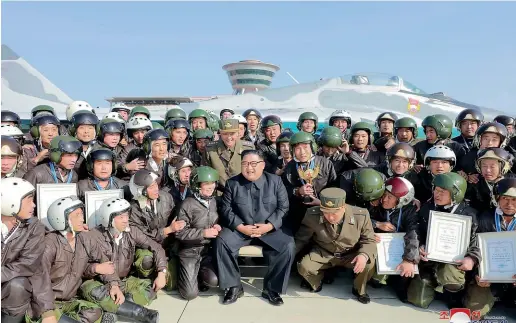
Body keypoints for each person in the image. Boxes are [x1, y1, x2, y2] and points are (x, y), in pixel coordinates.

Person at [215, 150, 294, 306]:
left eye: (253, 163)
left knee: (288, 245)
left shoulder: (275, 182)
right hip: (241, 230)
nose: (248, 168)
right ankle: (234, 286)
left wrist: (269, 225)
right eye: (245, 163)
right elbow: (226, 209)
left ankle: (272, 289)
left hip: (268, 229)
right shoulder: (233, 183)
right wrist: (240, 226)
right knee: (221, 242)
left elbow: (283, 207)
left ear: (263, 165)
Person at [79, 198, 163, 323]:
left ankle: (114, 308)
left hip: (123, 281)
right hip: (99, 283)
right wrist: (109, 280)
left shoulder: (131, 231)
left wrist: (162, 272)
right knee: (91, 290)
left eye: (127, 216)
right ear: (109, 219)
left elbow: (156, 247)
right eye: (121, 217)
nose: (126, 220)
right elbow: (84, 267)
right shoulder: (93, 236)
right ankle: (143, 314)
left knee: (150, 288)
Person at [35, 196, 113, 323]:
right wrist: (48, 313)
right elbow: (39, 281)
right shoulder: (49, 244)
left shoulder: (85, 238)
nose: (82, 219)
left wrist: (113, 283)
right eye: (76, 215)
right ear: (61, 219)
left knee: (95, 312)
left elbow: (104, 262)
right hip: (47, 302)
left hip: (70, 300)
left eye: (82, 214)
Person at [407, 173, 479, 309]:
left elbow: (475, 242)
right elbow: (417, 232)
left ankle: (453, 292)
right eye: (436, 190)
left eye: (443, 191)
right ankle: (431, 281)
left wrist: (472, 258)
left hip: (453, 262)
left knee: (451, 279)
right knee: (418, 301)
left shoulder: (469, 214)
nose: (437, 194)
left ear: (456, 193)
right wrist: (420, 247)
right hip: (429, 260)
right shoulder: (427, 208)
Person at [295, 187, 377, 304]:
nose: (330, 217)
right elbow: (301, 239)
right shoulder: (312, 215)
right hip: (324, 253)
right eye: (326, 212)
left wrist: (363, 255)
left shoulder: (361, 215)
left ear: (343, 207)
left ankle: (359, 289)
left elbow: (369, 240)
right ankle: (318, 282)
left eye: (334, 213)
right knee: (304, 266)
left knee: (369, 263)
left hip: (350, 254)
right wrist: (287, 256)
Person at [1, 178, 55, 323]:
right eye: (28, 200)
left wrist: (47, 311)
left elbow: (29, 264)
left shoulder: (34, 227)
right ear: (11, 201)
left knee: (18, 286)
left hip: (7, 288)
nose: (34, 205)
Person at [464, 178, 516, 317]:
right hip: (489, 277)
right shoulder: (485, 218)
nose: (509, 204)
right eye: (505, 198)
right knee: (474, 312)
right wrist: (478, 273)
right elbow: (476, 246)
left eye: (514, 200)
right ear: (497, 199)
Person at [129, 169, 182, 290]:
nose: (156, 189)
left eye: (156, 185)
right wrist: (167, 230)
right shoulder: (133, 210)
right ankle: (151, 276)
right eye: (151, 187)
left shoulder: (166, 198)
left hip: (168, 245)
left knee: (172, 285)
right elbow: (144, 237)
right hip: (147, 247)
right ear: (140, 191)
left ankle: (164, 270)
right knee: (146, 261)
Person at [368, 177, 419, 302]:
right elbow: (361, 220)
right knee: (376, 282)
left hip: (400, 249)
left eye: (390, 197)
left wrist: (409, 260)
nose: (384, 199)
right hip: (380, 247)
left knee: (405, 276)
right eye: (384, 195)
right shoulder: (375, 205)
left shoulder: (410, 211)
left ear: (401, 200)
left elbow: (413, 235)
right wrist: (376, 225)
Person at [175, 166, 220, 300]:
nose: (211, 187)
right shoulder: (187, 204)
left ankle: (198, 275)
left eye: (212, 183)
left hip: (206, 251)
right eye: (206, 183)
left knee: (214, 281)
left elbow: (214, 219)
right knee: (189, 295)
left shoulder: (213, 201)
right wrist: (203, 233)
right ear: (197, 185)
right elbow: (179, 233)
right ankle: (181, 273)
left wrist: (217, 225)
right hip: (189, 252)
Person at [282, 131, 337, 233]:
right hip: (299, 214)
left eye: (305, 147)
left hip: (324, 211)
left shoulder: (325, 163)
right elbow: (283, 191)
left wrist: (322, 203)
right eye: (298, 148)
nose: (302, 152)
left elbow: (334, 188)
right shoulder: (289, 167)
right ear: (292, 150)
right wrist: (298, 191)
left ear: (312, 147)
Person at [205, 119, 254, 193]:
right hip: (220, 193)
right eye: (225, 134)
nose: (229, 137)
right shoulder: (210, 150)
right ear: (220, 134)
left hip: (244, 191)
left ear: (237, 133)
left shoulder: (248, 148)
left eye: (232, 134)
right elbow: (206, 175)